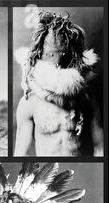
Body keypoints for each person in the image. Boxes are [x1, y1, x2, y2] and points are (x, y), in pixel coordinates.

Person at [14, 11, 104, 156]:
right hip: (50, 173)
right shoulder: (29, 103)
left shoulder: (86, 100)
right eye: (51, 54)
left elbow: (100, 146)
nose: (56, 60)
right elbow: (20, 154)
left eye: (62, 53)